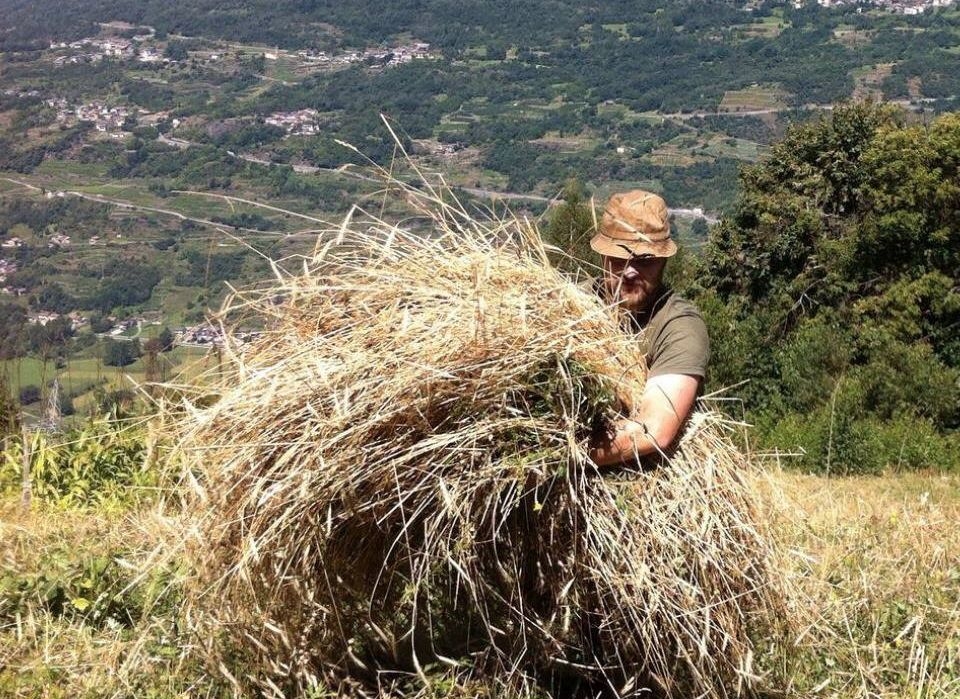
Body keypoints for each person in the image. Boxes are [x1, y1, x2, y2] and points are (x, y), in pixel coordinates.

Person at [587, 189, 709, 468]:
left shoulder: (679, 326)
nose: (629, 272)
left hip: (634, 477)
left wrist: (550, 456)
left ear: (663, 260)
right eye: (619, 259)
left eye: (644, 261)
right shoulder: (575, 302)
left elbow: (651, 431)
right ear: (602, 257)